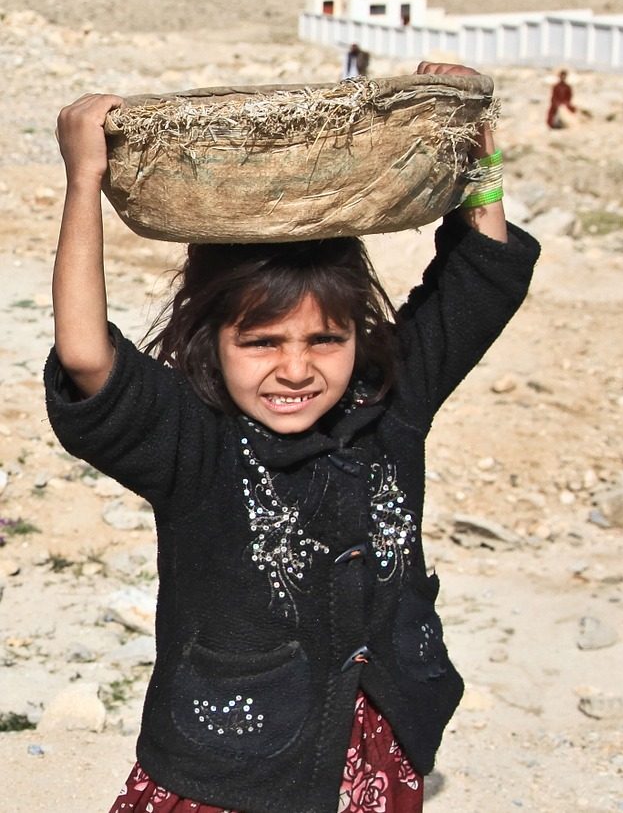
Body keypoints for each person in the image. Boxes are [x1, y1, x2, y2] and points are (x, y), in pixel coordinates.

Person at [46, 61, 539, 813]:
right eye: (262, 342)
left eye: (325, 340)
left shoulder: (389, 407)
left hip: (376, 742)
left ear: (359, 339)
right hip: (230, 769)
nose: (296, 369)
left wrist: (471, 141)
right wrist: (84, 181)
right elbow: (87, 356)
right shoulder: (194, 446)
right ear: (213, 343)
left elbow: (479, 277)